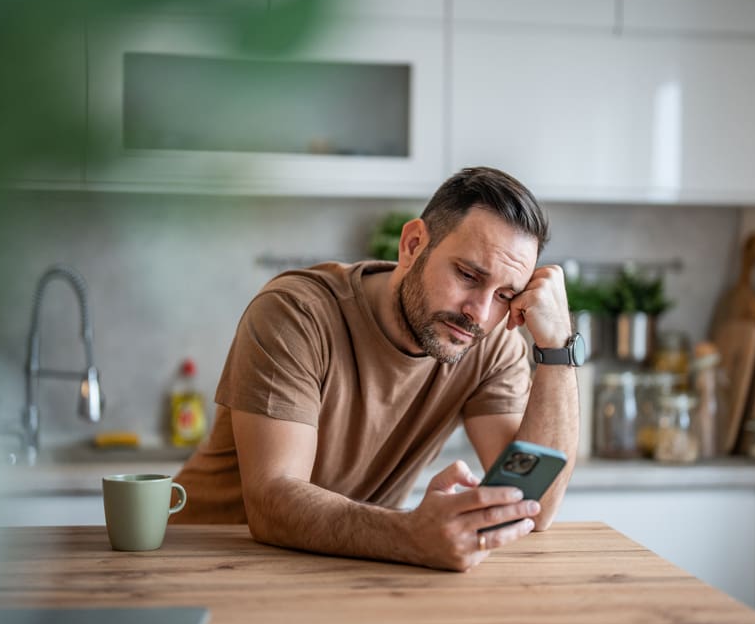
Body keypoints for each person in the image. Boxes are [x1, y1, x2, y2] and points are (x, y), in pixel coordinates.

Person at [173, 167, 580, 571]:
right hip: (202, 561)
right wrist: (410, 533)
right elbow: (271, 501)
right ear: (413, 244)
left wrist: (558, 347)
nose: (479, 312)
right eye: (468, 275)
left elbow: (533, 506)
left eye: (505, 295)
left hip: (335, 569)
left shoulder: (490, 345)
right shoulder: (296, 314)